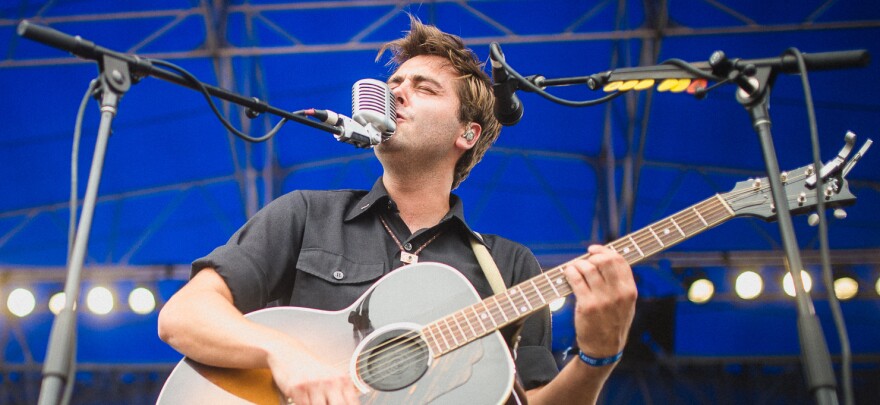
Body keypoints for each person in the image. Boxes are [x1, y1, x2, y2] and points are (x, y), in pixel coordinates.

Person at [158, 15, 637, 405]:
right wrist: (284, 353)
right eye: (394, 82)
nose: (396, 93)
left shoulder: (508, 267)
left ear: (466, 134)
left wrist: (598, 357)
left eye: (424, 88)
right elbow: (183, 316)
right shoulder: (305, 215)